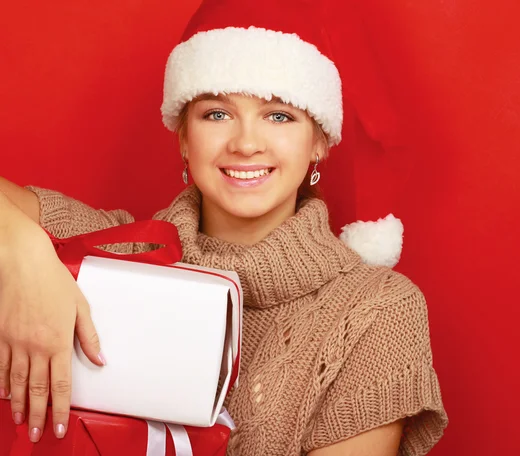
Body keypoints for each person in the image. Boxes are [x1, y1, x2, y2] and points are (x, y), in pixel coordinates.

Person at [0, 0, 448, 454]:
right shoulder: (114, 251)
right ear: (183, 137)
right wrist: (24, 250)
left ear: (318, 142)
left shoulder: (377, 312)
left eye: (279, 115)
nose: (246, 143)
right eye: (217, 113)